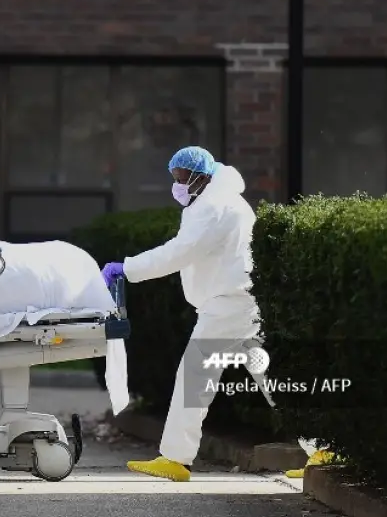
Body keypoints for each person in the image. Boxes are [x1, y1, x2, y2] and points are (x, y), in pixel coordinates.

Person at [99, 146, 275, 482]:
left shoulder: (213, 207)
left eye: (181, 178)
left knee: (194, 377)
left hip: (226, 305)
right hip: (238, 300)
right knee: (270, 374)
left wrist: (128, 267)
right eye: (175, 178)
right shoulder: (219, 199)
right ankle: (322, 448)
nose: (177, 185)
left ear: (199, 175)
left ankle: (176, 459)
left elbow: (179, 253)